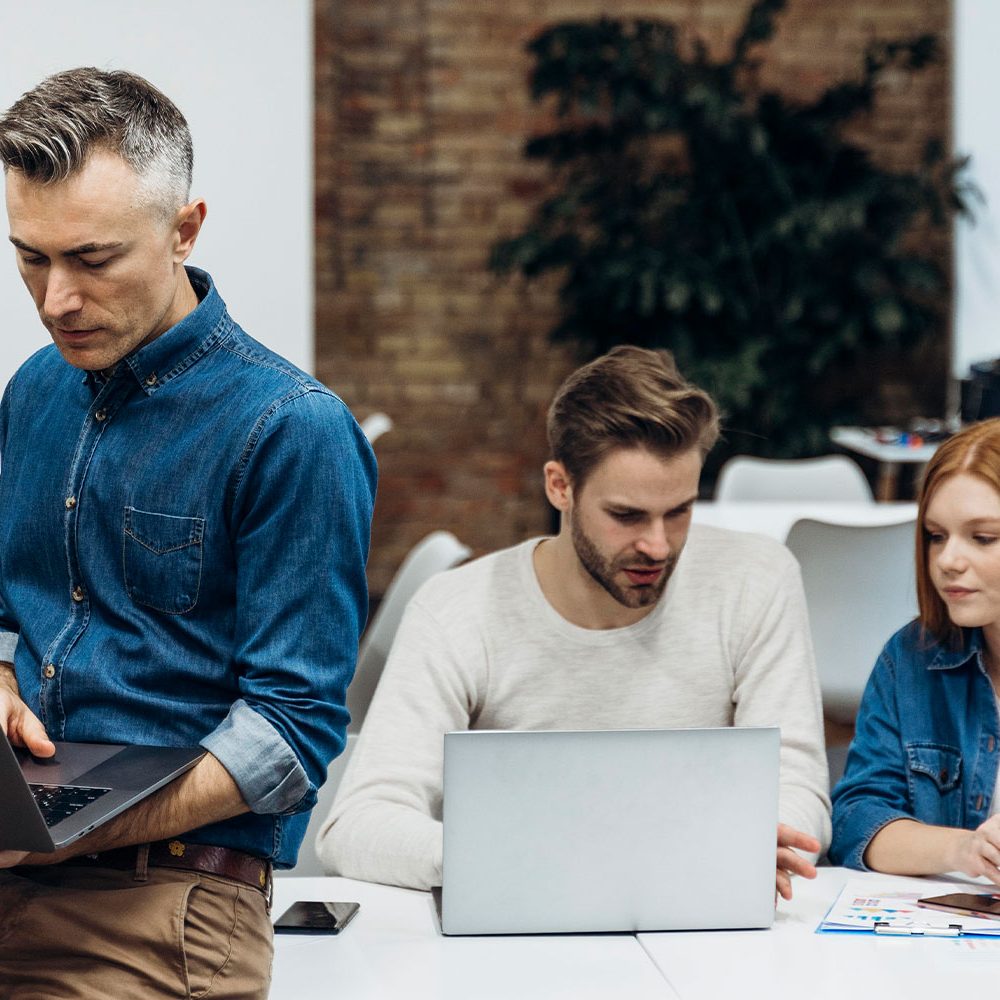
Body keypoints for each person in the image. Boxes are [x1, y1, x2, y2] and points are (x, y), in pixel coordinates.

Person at [0, 68, 376, 998]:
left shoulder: (291, 429)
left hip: (165, 897)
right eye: (30, 258)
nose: (55, 300)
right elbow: (9, 611)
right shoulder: (35, 391)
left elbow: (291, 733)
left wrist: (65, 834)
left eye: (92, 259)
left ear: (185, 230)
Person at [318, 345, 830, 900]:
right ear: (560, 486)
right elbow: (359, 824)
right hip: (519, 911)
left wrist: (754, 842)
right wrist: (530, 856)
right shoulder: (457, 609)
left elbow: (797, 787)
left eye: (679, 511)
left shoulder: (756, 579)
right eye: (626, 515)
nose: (658, 545)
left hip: (700, 912)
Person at [830, 418, 1000, 881]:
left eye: (983, 537)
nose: (948, 561)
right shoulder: (911, 658)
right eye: (936, 536)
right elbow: (856, 820)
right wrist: (964, 849)